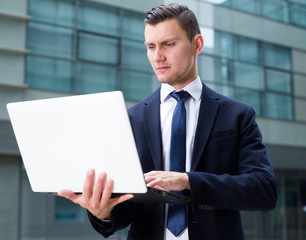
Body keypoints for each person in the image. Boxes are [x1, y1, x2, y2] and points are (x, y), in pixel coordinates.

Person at [59, 3, 277, 240]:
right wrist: (102, 211)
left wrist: (188, 181)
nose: (157, 56)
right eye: (151, 46)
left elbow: (263, 190)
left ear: (197, 44)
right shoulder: (131, 119)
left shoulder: (237, 115)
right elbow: (125, 209)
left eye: (168, 44)